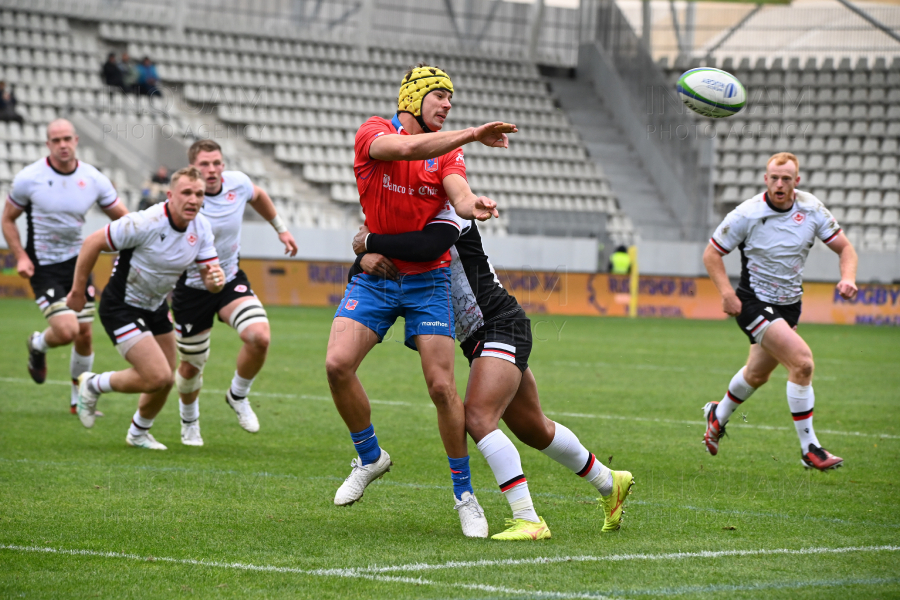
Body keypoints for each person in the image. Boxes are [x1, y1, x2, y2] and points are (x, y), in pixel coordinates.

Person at [350, 207, 634, 540]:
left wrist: (367, 241)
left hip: (499, 325)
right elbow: (380, 263)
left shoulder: (449, 213)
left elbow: (426, 247)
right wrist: (363, 258)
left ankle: (528, 519)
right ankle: (608, 482)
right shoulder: (408, 219)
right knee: (534, 428)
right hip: (478, 337)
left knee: (478, 418)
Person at [325, 63, 515, 538]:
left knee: (441, 389)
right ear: (411, 97)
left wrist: (475, 205)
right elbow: (405, 148)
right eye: (439, 96)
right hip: (376, 280)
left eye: (451, 99)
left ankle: (464, 494)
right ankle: (370, 458)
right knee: (336, 365)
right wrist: (471, 134)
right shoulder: (374, 132)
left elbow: (460, 193)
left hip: (429, 281)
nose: (447, 105)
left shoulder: (448, 155)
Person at [702, 152, 858, 471]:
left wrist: (848, 277)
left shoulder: (811, 208)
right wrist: (727, 294)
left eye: (786, 178)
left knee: (757, 375)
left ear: (796, 182)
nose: (780, 183)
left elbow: (845, 248)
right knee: (802, 363)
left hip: (789, 306)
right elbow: (711, 254)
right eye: (774, 177)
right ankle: (810, 448)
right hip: (753, 302)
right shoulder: (747, 213)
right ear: (766, 179)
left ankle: (716, 416)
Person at [66, 167, 225, 450]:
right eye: (186, 192)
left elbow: (209, 280)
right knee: (158, 376)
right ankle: (93, 384)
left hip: (155, 305)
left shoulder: (201, 228)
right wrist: (78, 291)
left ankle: (138, 432)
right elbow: (92, 243)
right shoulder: (145, 222)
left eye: (199, 194)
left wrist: (216, 282)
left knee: (165, 378)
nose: (193, 199)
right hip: (121, 306)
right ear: (170, 195)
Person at [170, 140, 298, 447]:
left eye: (217, 163)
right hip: (190, 290)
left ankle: (237, 395)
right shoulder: (184, 201)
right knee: (190, 367)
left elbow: (259, 195)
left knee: (259, 336)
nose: (212, 169)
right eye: (205, 164)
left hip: (228, 280)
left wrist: (280, 228)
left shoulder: (238, 183)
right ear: (193, 169)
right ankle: (189, 422)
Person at [2, 119, 128, 413]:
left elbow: (122, 218)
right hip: (43, 265)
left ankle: (78, 401)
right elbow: (7, 218)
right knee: (68, 330)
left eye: (66, 139)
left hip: (78, 263)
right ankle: (38, 344)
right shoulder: (28, 178)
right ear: (48, 144)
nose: (62, 145)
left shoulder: (93, 178)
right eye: (55, 140)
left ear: (76, 140)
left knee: (84, 335)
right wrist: (20, 255)